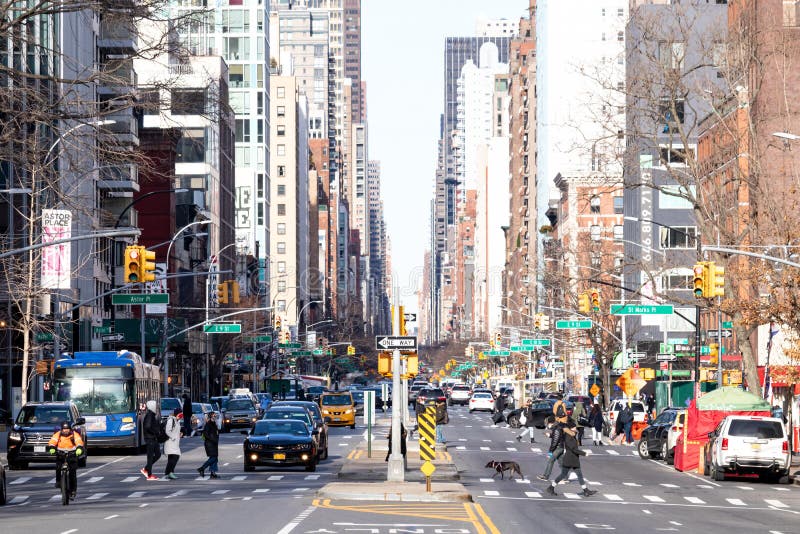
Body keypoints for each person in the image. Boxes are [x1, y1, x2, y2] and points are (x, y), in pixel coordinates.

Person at [545, 421, 597, 497]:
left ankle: (586, 490)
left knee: (578, 475)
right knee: (563, 475)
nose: (576, 428)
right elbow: (573, 449)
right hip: (570, 459)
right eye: (574, 427)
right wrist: (584, 453)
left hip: (573, 459)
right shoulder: (568, 437)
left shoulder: (571, 435)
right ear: (571, 428)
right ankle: (551, 487)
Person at [48, 421, 85, 499]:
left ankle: (73, 490)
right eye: (64, 429)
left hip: (72, 454)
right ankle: (58, 481)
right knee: (58, 468)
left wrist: (79, 449)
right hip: (60, 454)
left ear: (70, 429)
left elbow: (79, 442)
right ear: (61, 429)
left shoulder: (74, 434)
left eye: (67, 429)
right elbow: (52, 441)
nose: (66, 430)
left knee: (72, 472)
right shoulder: (58, 434)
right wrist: (52, 448)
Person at [538, 416, 565, 481]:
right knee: (561, 463)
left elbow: (555, 440)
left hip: (557, 448)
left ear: (551, 423)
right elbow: (556, 436)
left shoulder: (556, 429)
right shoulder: (557, 427)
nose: (547, 425)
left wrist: (551, 450)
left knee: (551, 461)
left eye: (548, 424)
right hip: (560, 447)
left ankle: (546, 476)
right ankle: (565, 477)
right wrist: (549, 435)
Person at [140, 400, 161, 480]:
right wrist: (155, 432)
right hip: (150, 438)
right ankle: (149, 475)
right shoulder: (149, 415)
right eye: (155, 406)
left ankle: (146, 469)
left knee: (158, 454)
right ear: (152, 406)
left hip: (153, 438)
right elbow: (147, 427)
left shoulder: (152, 415)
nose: (157, 407)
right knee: (150, 457)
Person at [198, 411, 220, 479]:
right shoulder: (208, 424)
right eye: (214, 416)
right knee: (213, 458)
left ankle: (212, 473)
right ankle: (202, 468)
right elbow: (205, 434)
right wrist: (213, 439)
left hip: (214, 443)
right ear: (211, 416)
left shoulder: (214, 423)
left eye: (215, 416)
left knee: (215, 458)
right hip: (210, 444)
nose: (215, 417)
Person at [163, 407, 182, 479]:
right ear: (177, 414)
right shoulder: (171, 420)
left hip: (174, 442)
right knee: (175, 456)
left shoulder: (177, 420)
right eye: (180, 414)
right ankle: (169, 472)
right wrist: (173, 437)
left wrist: (179, 433)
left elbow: (174, 430)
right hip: (170, 442)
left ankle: (169, 473)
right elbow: (167, 431)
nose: (181, 416)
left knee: (171, 458)